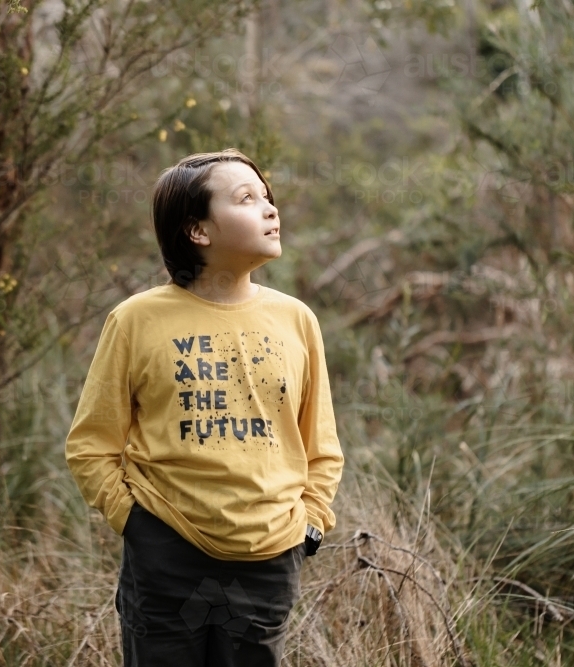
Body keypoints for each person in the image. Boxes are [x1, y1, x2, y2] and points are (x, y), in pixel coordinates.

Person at [64, 147, 345, 666]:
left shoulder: (296, 320)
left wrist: (310, 523)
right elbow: (90, 445)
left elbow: (320, 444)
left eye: (268, 197)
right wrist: (135, 523)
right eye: (246, 198)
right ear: (198, 231)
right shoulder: (135, 320)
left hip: (268, 558)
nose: (269, 209)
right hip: (166, 554)